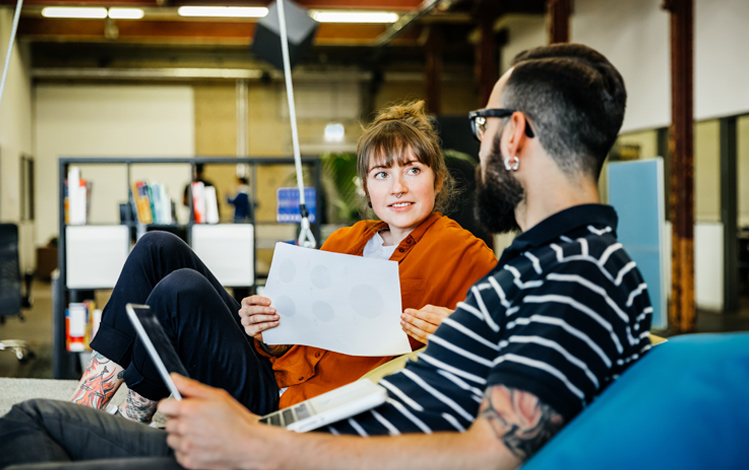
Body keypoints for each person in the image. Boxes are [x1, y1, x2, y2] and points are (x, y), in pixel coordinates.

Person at [0, 43, 653, 470]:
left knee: (30, 425)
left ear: (513, 137)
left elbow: (489, 451)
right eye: (382, 174)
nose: (476, 147)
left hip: (299, 444)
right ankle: (117, 397)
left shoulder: (571, 274)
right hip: (302, 418)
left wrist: (258, 443)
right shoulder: (547, 265)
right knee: (36, 417)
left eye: (481, 127)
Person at [65, 99, 496, 425]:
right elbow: (288, 331)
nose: (398, 187)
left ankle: (130, 417)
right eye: (382, 174)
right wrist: (261, 324)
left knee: (181, 291)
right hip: (268, 368)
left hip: (295, 406)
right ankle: (86, 406)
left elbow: (499, 352)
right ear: (366, 188)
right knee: (158, 245)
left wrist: (458, 335)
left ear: (437, 179)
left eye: (413, 170)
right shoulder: (346, 239)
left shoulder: (468, 254)